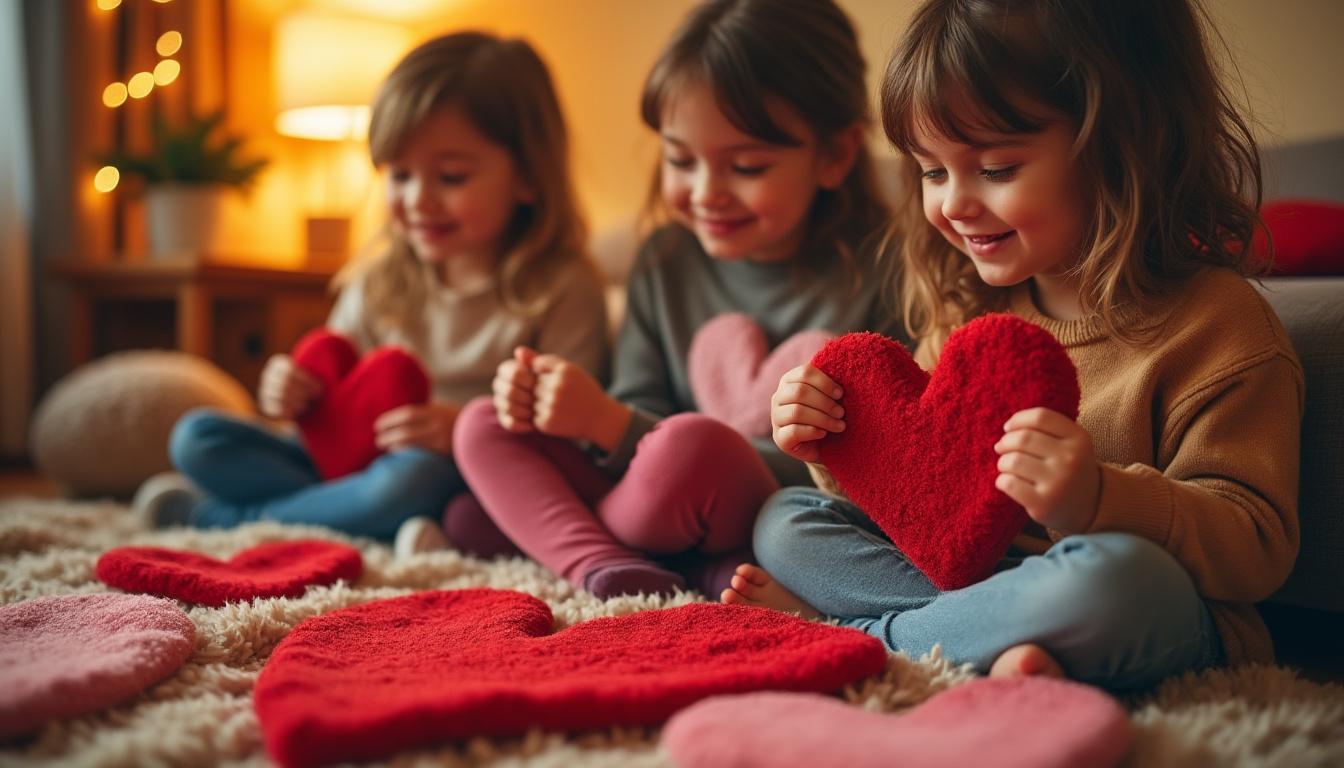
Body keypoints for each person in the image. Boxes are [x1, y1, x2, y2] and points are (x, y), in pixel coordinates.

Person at [727, 0, 1303, 690]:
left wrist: (1097, 498)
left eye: (995, 169)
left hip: (1129, 600)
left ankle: (862, 637)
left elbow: (1259, 547)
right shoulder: (972, 317)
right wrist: (833, 444)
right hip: (981, 582)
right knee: (786, 518)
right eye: (932, 172)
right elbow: (921, 502)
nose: (952, 204)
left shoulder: (1220, 327)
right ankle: (980, 638)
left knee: (1118, 582)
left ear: (1126, 145)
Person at [448, 0, 909, 599]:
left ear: (835, 156)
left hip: (769, 509)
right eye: (679, 160)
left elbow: (863, 472)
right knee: (482, 424)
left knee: (691, 446)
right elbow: (637, 405)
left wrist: (611, 423)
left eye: (746, 165)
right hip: (653, 491)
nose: (705, 193)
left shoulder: (887, 269)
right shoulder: (666, 256)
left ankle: (566, 539)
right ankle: (608, 565)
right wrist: (567, 409)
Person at [132, 32, 609, 545]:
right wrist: (289, 390)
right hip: (343, 466)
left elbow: (573, 446)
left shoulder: (564, 288)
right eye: (399, 175)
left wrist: (462, 433)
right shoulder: (377, 279)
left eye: (450, 177)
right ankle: (349, 516)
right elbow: (327, 402)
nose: (418, 199)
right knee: (197, 438)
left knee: (416, 480)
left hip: (447, 475)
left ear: (528, 178)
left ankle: (216, 520)